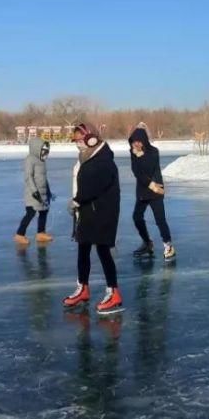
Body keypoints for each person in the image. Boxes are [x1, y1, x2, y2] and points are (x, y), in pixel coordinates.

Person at [63, 123, 123, 315]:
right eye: (75, 141)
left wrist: (76, 201)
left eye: (80, 140)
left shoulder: (103, 160)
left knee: (103, 251)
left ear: (91, 139)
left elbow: (93, 187)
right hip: (88, 212)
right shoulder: (87, 158)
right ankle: (83, 288)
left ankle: (114, 293)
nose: (77, 144)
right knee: (83, 249)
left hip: (103, 214)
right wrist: (78, 204)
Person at [129, 124, 176, 261]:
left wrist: (140, 155)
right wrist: (136, 154)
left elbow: (148, 168)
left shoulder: (153, 151)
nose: (136, 144)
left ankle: (168, 246)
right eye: (134, 141)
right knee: (137, 217)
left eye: (139, 140)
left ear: (144, 140)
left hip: (156, 190)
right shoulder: (133, 152)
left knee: (160, 219)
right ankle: (147, 243)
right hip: (144, 190)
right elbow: (137, 172)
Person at [15, 136, 54, 247]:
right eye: (44, 150)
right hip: (33, 193)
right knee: (31, 213)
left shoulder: (42, 161)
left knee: (44, 212)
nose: (45, 153)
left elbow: (44, 179)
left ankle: (40, 233)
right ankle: (19, 234)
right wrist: (34, 192)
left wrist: (49, 192)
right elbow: (28, 177)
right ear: (37, 148)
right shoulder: (30, 159)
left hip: (42, 193)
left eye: (46, 151)